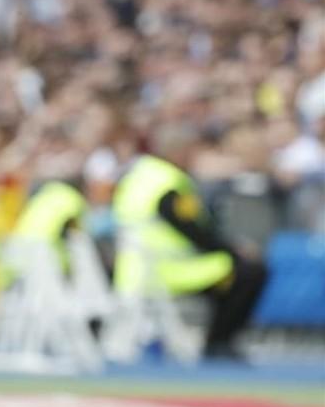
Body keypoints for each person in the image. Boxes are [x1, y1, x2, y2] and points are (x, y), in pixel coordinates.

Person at [113, 140, 267, 362]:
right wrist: (234, 249)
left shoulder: (139, 175)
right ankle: (219, 342)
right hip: (168, 268)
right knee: (250, 272)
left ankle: (215, 339)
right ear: (179, 151)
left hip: (132, 269)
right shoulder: (168, 182)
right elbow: (192, 229)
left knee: (233, 275)